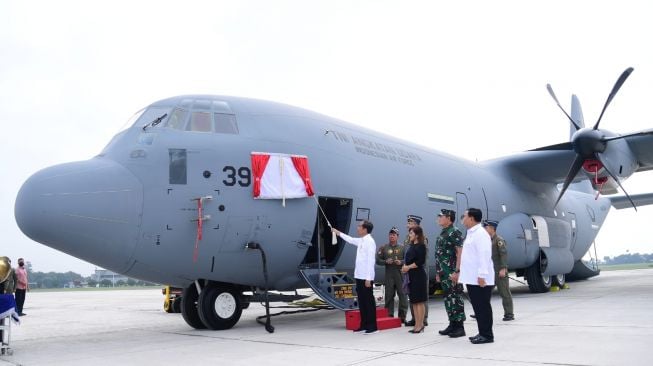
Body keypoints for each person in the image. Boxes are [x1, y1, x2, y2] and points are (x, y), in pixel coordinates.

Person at [333, 221, 378, 334]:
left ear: (365, 229)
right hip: (359, 275)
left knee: (368, 302)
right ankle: (363, 325)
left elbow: (371, 261)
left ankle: (372, 326)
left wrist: (369, 278)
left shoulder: (370, 242)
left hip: (366, 278)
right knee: (362, 302)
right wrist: (338, 233)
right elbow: (351, 240)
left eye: (359, 226)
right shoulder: (362, 240)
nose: (357, 228)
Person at [459, 208, 495, 344]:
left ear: (472, 218)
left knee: (483, 307)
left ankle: (487, 335)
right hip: (472, 278)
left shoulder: (480, 234)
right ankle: (482, 332)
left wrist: (482, 275)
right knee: (478, 308)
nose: (463, 218)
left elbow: (484, 255)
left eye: (465, 216)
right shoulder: (471, 233)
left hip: (480, 278)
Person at [435, 209, 467, 338]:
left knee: (456, 298)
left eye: (440, 216)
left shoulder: (455, 232)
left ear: (449, 218)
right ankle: (452, 324)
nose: (438, 218)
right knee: (448, 299)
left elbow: (460, 252)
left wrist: (457, 271)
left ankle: (460, 327)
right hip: (444, 273)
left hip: (452, 272)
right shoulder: (443, 232)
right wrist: (438, 273)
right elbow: (439, 255)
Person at [484, 220, 515, 321]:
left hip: (499, 271)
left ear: (492, 228)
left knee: (504, 293)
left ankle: (509, 314)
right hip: (490, 272)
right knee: (484, 293)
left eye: (487, 227)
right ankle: (481, 312)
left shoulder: (499, 240)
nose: (485, 228)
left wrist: (503, 268)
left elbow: (503, 254)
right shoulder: (487, 239)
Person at [375, 227, 408, 322]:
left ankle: (402, 317)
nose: (391, 236)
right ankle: (389, 316)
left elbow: (408, 260)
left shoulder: (402, 247)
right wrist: (385, 261)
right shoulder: (384, 247)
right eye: (390, 235)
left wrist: (401, 262)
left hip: (400, 275)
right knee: (389, 296)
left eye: (394, 235)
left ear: (397, 236)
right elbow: (377, 260)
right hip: (389, 275)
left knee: (403, 296)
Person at [403, 215, 429, 326]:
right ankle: (415, 318)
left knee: (421, 298)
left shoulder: (422, 239)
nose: (408, 224)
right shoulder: (408, 238)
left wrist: (409, 266)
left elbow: (421, 258)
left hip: (419, 270)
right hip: (410, 272)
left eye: (411, 222)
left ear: (416, 224)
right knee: (413, 298)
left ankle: (423, 319)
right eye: (408, 222)